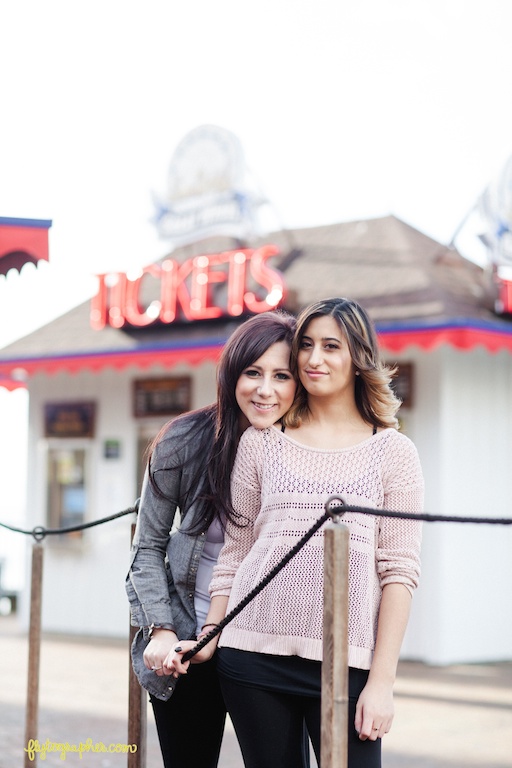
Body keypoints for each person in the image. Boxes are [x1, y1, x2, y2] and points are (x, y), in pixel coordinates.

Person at [169, 297, 424, 768]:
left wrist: (382, 682)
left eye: (331, 346)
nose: (313, 358)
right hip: (251, 657)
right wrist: (210, 635)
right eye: (305, 345)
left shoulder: (393, 452)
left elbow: (399, 573)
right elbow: (235, 552)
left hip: (348, 666)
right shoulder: (261, 440)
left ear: (358, 356)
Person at [125, 309, 297, 768]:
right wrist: (160, 629)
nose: (266, 389)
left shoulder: (308, 450)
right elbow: (146, 547)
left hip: (266, 645)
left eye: (282, 375)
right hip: (186, 639)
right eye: (253, 372)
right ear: (230, 375)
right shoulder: (182, 441)